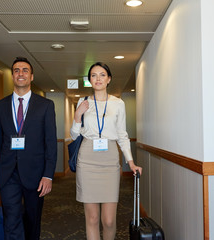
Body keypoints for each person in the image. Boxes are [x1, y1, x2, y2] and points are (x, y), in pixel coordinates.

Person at [70, 62, 142, 240]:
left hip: (110, 159)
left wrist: (130, 162)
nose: (98, 79)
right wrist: (78, 115)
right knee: (92, 218)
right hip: (87, 158)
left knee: (109, 220)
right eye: (94, 75)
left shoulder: (118, 103)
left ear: (109, 79)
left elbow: (122, 135)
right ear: (90, 80)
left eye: (102, 75)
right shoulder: (83, 102)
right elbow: (73, 135)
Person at [0, 57, 57, 240]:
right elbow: (1, 140)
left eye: (25, 70)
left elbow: (50, 142)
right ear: (12, 75)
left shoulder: (45, 106)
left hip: (36, 175)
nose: (20, 73)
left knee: (32, 221)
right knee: (11, 220)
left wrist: (48, 175)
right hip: (8, 174)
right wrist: (0, 170)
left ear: (32, 76)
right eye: (16, 70)